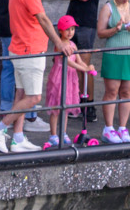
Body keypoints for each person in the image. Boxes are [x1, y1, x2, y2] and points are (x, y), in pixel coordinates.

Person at [0, 0, 67, 154]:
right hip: (29, 50)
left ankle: (18, 138)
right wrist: (60, 42)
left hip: (22, 48)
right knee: (33, 98)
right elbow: (42, 19)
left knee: (21, 95)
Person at [95, 0, 130, 142]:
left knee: (126, 91)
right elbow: (100, 33)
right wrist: (115, 29)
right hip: (114, 52)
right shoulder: (108, 7)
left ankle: (123, 127)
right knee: (112, 91)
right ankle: (108, 128)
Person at [42, 13, 99, 148]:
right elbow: (68, 62)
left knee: (66, 107)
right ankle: (53, 134)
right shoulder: (60, 45)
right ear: (60, 31)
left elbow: (78, 59)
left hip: (70, 77)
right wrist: (82, 68)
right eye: (67, 29)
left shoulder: (73, 44)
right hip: (60, 76)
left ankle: (63, 132)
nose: (70, 32)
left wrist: (88, 67)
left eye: (72, 29)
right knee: (57, 105)